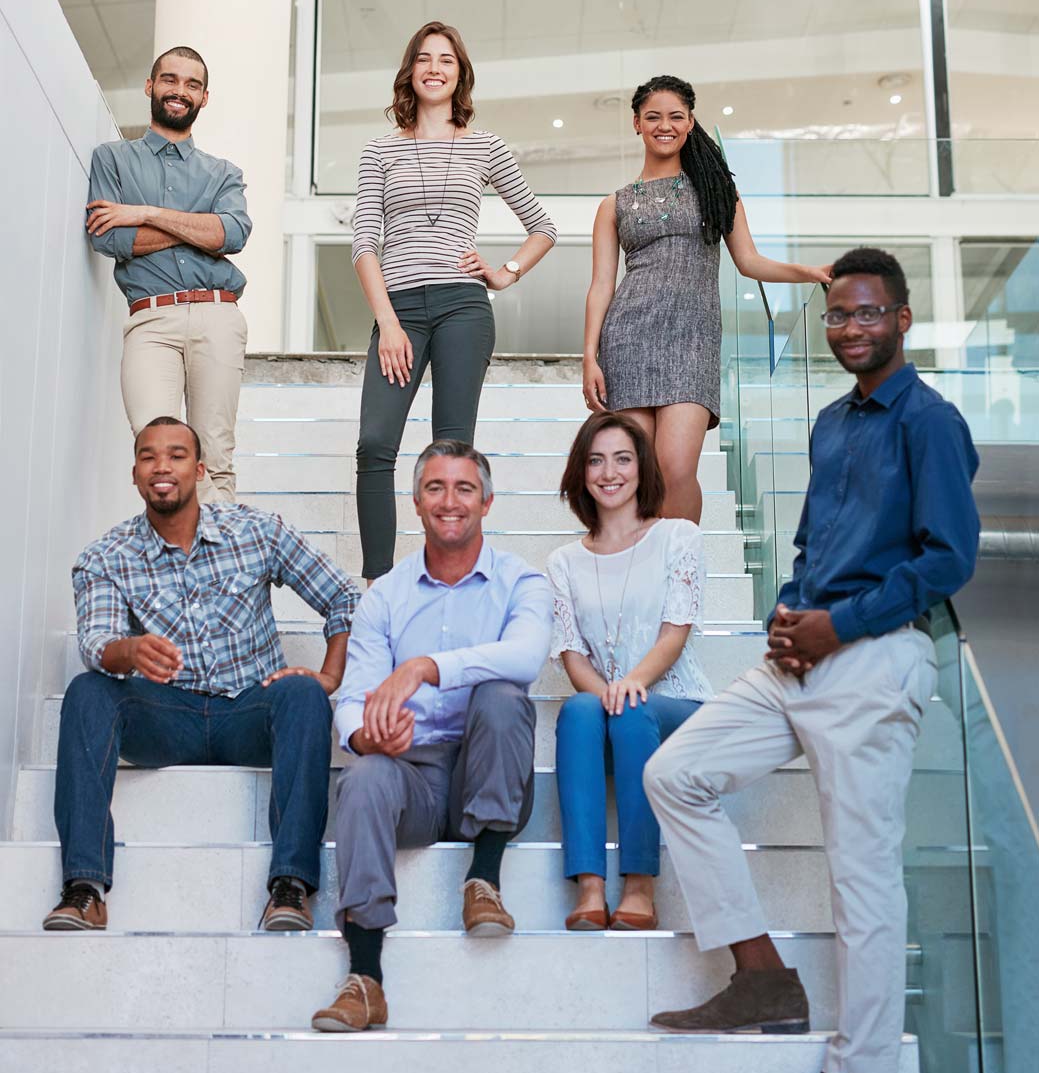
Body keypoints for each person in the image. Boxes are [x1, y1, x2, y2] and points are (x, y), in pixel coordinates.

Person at [643, 247, 980, 1073]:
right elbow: (807, 543)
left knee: (861, 877)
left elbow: (948, 557)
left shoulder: (930, 421)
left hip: (875, 659)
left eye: (866, 312)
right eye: (836, 314)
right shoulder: (830, 421)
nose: (849, 327)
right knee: (674, 773)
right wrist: (788, 614)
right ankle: (761, 976)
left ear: (901, 319)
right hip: (801, 655)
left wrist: (843, 624)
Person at [43, 416, 359, 935]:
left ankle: (291, 886)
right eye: (148, 456)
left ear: (200, 469)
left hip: (251, 710)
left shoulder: (255, 531)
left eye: (176, 455)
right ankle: (84, 889)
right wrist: (130, 650)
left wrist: (330, 675)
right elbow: (96, 645)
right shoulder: (106, 556)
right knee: (87, 691)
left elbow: (342, 595)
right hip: (169, 717)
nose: (161, 467)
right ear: (135, 473)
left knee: (303, 694)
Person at [311, 440, 552, 1032]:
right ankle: (365, 977)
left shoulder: (522, 581)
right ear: (416, 501)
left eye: (464, 488)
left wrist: (425, 667)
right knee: (362, 778)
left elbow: (525, 658)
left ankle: (484, 879)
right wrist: (370, 737)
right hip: (411, 778)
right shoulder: (385, 597)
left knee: (501, 696)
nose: (450, 501)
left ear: (487, 502)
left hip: (486, 768)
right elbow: (352, 701)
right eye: (435, 488)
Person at [352, 21, 557, 580]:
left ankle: (448, 577)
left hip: (463, 307)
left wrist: (504, 273)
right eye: (424, 58)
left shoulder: (485, 146)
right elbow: (365, 243)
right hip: (399, 310)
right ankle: (377, 584)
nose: (434, 68)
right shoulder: (379, 151)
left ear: (460, 73)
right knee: (375, 444)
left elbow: (543, 227)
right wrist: (387, 322)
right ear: (410, 71)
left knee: (451, 451)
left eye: (446, 59)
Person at [582, 74, 830, 523]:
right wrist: (589, 357)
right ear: (636, 123)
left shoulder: (717, 191)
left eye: (676, 116)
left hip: (692, 340)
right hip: (628, 340)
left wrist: (807, 273)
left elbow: (749, 262)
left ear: (691, 122)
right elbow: (601, 284)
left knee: (676, 469)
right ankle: (640, 561)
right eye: (653, 117)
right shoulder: (613, 205)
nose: (665, 125)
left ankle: (681, 566)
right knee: (636, 472)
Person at [548, 412, 709, 931]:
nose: (609, 472)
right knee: (579, 710)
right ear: (581, 472)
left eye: (622, 459)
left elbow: (674, 635)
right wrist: (609, 694)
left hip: (676, 703)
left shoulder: (678, 537)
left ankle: (640, 886)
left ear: (642, 468)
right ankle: (590, 886)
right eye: (596, 461)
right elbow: (573, 658)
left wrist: (631, 686)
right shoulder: (563, 561)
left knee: (632, 709)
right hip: (610, 707)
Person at [85, 46, 251, 503]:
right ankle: (184, 543)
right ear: (150, 86)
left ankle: (217, 547)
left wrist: (145, 213)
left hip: (217, 315)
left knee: (214, 456)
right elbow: (109, 239)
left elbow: (232, 233)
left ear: (204, 97)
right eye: (170, 79)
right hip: (151, 320)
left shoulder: (223, 173)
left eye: (192, 84)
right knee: (158, 447)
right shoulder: (112, 160)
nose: (180, 91)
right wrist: (196, 228)